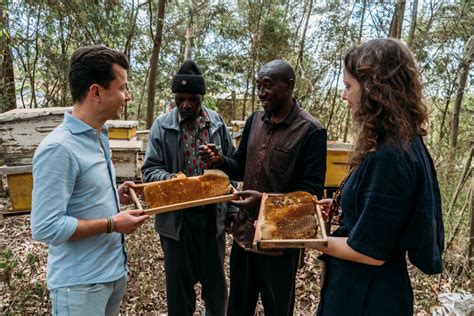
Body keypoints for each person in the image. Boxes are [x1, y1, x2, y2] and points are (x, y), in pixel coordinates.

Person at [314, 38, 444, 315]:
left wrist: (308, 239)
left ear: (374, 90)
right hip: (360, 291)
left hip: (367, 299)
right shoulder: (395, 140)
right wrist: (344, 212)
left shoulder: (391, 156)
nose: (343, 95)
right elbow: (380, 214)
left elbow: (370, 252)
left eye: (349, 86)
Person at [199, 59, 327, 316]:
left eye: (267, 86)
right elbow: (240, 165)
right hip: (244, 239)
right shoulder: (255, 120)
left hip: (280, 247)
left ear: (289, 85)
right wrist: (221, 160)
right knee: (237, 308)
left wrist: (265, 203)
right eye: (258, 86)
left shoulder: (311, 131)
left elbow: (310, 195)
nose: (261, 93)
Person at [31, 45, 149, 315]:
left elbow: (81, 196)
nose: (127, 96)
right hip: (80, 286)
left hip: (111, 273)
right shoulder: (59, 148)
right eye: (122, 88)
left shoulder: (98, 136)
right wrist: (112, 223)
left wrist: (113, 194)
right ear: (96, 92)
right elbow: (45, 227)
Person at [141, 60, 236, 316]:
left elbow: (232, 169)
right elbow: (149, 170)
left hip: (211, 220)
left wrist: (230, 211)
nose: (186, 105)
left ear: (201, 97)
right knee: (179, 294)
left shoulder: (216, 125)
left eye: (192, 99)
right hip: (176, 222)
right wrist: (175, 181)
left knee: (216, 292)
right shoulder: (162, 126)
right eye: (180, 98)